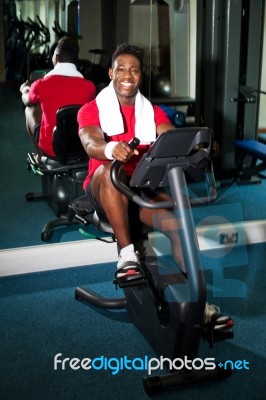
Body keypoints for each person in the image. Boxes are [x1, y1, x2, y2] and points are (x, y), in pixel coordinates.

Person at [77, 43, 233, 333]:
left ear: (140, 77)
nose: (128, 75)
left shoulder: (152, 112)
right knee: (110, 170)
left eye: (134, 70)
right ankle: (127, 257)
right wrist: (110, 148)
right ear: (111, 72)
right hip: (105, 190)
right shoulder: (91, 109)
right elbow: (90, 143)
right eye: (121, 69)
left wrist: (200, 143)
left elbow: (171, 135)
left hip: (140, 190)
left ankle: (199, 303)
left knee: (178, 225)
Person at [20, 36, 96, 158]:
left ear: (57, 57)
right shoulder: (90, 86)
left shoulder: (41, 84)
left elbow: (27, 101)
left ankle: (41, 157)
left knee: (30, 110)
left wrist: (25, 89)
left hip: (51, 150)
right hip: (81, 145)